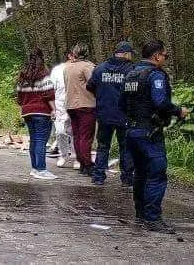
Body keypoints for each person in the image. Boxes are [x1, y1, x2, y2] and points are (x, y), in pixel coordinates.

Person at [120, 40, 190, 234]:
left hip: (131, 130)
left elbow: (121, 104)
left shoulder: (130, 74)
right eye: (165, 56)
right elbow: (160, 102)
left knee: (140, 174)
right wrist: (178, 111)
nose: (165, 59)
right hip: (149, 132)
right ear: (157, 56)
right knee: (157, 174)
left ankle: (141, 214)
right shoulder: (155, 75)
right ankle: (153, 218)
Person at [88, 41, 136, 186]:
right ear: (127, 54)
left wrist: (101, 95)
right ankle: (127, 179)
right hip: (124, 115)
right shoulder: (132, 70)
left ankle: (98, 177)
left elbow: (90, 86)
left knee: (103, 146)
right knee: (126, 147)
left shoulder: (100, 68)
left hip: (104, 113)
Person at [16, 48, 57, 180]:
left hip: (27, 112)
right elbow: (49, 93)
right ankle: (41, 169)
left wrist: (23, 108)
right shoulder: (43, 74)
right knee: (41, 140)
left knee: (33, 140)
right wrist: (54, 109)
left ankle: (34, 168)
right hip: (41, 112)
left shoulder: (22, 77)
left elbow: (20, 97)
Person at [64, 43, 96, 176]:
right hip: (85, 104)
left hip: (71, 104)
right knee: (86, 136)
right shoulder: (87, 67)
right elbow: (93, 83)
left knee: (77, 135)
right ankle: (88, 164)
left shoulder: (67, 67)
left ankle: (82, 162)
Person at [50, 51, 76, 167]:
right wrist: (52, 107)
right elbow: (51, 89)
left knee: (75, 131)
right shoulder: (57, 70)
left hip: (75, 104)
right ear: (69, 56)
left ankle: (76, 156)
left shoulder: (80, 68)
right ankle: (63, 154)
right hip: (59, 104)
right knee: (60, 131)